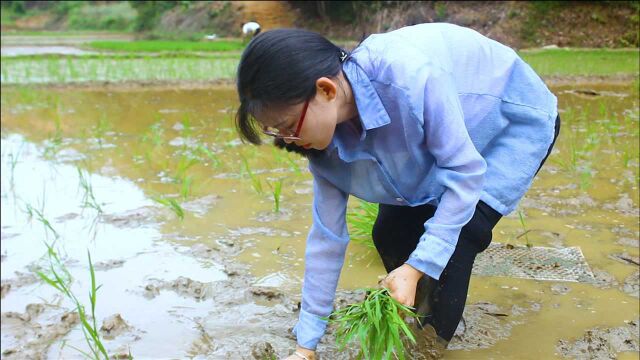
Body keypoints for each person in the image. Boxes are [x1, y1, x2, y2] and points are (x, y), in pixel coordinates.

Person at [234, 23, 561, 360]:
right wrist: (306, 347)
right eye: (278, 133)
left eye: (289, 127)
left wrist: (417, 266)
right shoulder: (325, 148)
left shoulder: (409, 79)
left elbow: (463, 172)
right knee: (390, 232)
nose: (289, 140)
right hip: (445, 139)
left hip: (509, 121)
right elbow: (326, 241)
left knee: (460, 239)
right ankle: (415, 308)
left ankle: (426, 347)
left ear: (326, 90)